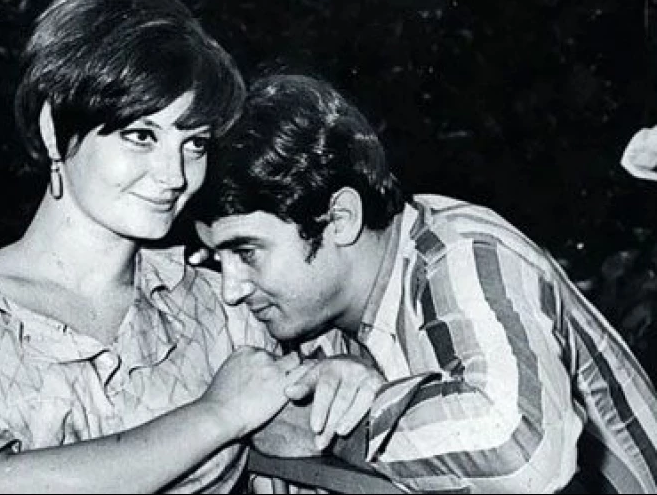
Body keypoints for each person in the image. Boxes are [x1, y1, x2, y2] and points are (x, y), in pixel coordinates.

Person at [0, 0, 373, 493]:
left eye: (194, 143)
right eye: (141, 135)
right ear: (54, 130)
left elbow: (294, 430)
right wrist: (217, 414)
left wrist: (342, 383)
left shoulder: (216, 306)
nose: (174, 175)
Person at [193, 73, 657, 493]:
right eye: (218, 258)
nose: (232, 288)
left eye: (246, 252)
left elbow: (519, 449)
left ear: (340, 219)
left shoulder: (461, 251)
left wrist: (339, 428)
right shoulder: (320, 323)